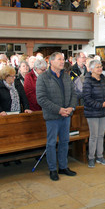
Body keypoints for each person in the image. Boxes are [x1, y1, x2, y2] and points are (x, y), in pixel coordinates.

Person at [36, 52, 77, 181]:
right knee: (52, 143)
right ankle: (53, 169)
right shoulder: (43, 78)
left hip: (66, 115)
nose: (62, 62)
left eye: (63, 59)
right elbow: (41, 99)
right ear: (51, 62)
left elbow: (74, 94)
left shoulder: (66, 76)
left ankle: (63, 167)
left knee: (64, 142)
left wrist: (71, 108)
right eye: (59, 59)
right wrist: (59, 110)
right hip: (53, 116)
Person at [83, 60, 105, 168]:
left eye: (100, 67)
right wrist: (101, 105)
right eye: (97, 67)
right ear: (91, 69)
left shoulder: (103, 78)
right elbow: (87, 98)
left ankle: (100, 156)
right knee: (94, 136)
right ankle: (91, 157)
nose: (100, 69)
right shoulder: (88, 81)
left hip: (103, 111)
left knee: (101, 135)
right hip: (92, 112)